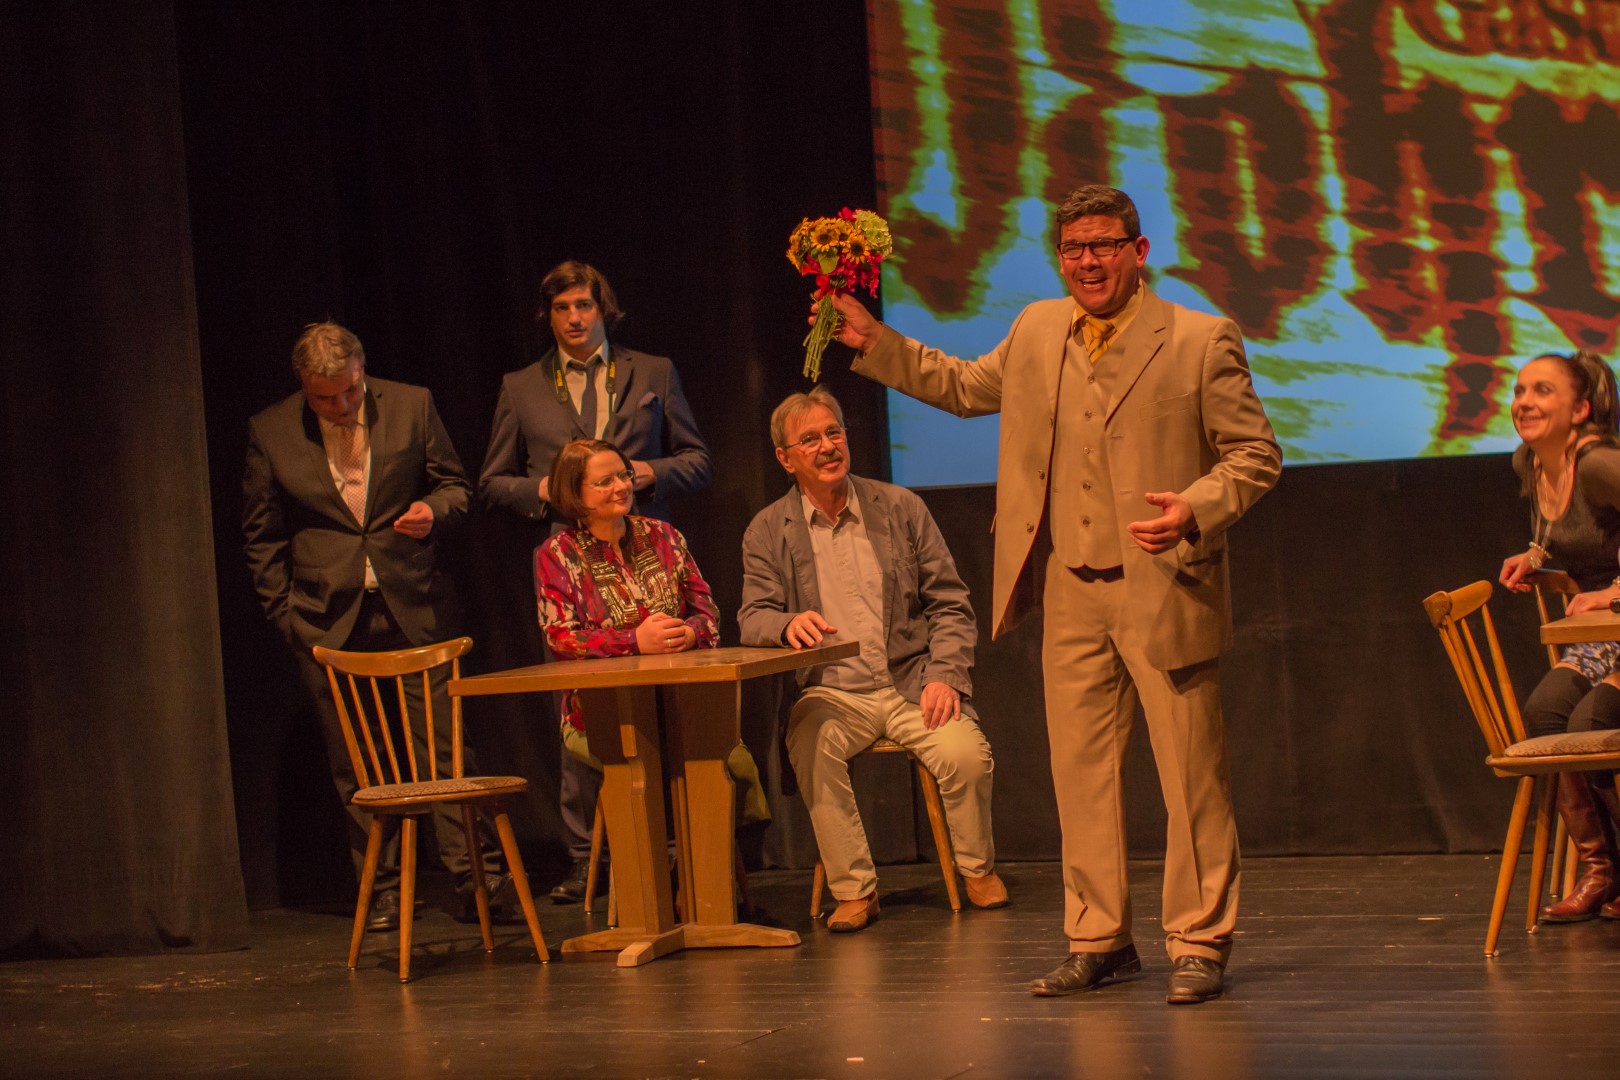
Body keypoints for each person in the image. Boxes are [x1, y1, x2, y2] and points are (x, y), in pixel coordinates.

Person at [823, 184, 1281, 1004]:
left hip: (1164, 585)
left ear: (1139, 252)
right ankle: (1099, 937)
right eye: (1073, 250)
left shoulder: (1199, 338)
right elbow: (964, 386)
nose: (1088, 262)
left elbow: (1254, 456)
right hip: (1069, 585)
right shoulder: (1038, 328)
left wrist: (1194, 508)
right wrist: (877, 342)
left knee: (1191, 778)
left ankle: (1199, 939)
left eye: (1103, 246)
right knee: (1081, 774)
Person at [243, 321, 506, 932]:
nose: (341, 406)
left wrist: (432, 510)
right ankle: (384, 888)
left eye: (351, 392)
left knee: (445, 748)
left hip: (415, 603)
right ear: (302, 386)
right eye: (324, 398)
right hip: (327, 617)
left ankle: (476, 877)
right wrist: (285, 615)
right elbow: (262, 534)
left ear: (363, 371)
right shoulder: (271, 430)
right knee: (358, 761)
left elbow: (456, 488)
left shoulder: (411, 404)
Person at [480, 261, 713, 902]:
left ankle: (676, 849)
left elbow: (698, 460)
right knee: (583, 704)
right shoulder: (521, 386)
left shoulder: (652, 372)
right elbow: (493, 482)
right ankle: (589, 857)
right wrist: (561, 491)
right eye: (562, 309)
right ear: (548, 316)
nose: (574, 318)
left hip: (646, 560)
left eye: (584, 305)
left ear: (602, 308)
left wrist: (638, 475)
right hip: (574, 567)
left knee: (664, 714)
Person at [738, 387, 1007, 933]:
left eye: (833, 432)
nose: (827, 446)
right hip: (830, 691)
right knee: (811, 747)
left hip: (910, 682)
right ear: (785, 459)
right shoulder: (769, 528)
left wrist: (945, 676)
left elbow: (951, 603)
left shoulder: (900, 507)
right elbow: (752, 617)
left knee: (966, 755)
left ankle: (976, 869)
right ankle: (855, 889)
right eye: (809, 440)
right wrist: (785, 625)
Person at [533, 439, 769, 839]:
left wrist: (689, 632)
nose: (621, 486)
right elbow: (562, 639)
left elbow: (707, 613)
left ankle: (704, 867)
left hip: (680, 705)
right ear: (574, 492)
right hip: (601, 716)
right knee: (648, 765)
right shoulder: (558, 553)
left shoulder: (663, 535)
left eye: (623, 475)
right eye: (604, 481)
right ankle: (658, 866)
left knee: (720, 760)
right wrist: (634, 641)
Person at [1498, 350, 1620, 921]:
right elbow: (1568, 532)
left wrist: (1614, 592)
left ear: (1581, 410)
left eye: (1543, 391)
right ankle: (1603, 870)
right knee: (1546, 713)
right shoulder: (1530, 462)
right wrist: (1535, 556)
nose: (1524, 402)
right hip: (1606, 636)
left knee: (1593, 720)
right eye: (1520, 390)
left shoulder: (1599, 465)